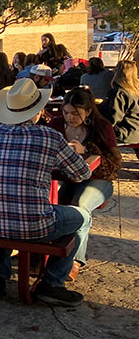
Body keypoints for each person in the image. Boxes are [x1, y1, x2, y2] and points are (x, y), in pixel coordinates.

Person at [0, 78, 92, 306]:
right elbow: (81, 173)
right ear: (37, 111)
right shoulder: (50, 137)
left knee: (5, 207)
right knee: (83, 218)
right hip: (36, 224)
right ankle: (52, 284)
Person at [47, 87, 120, 280]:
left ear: (88, 111)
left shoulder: (102, 127)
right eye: (66, 112)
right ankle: (46, 254)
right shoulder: (55, 124)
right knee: (50, 202)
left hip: (98, 179)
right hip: (62, 177)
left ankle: (75, 260)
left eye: (75, 113)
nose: (69, 117)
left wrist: (87, 149)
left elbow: (115, 165)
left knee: (80, 206)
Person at [100, 60, 139, 146]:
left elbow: (113, 117)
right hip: (135, 131)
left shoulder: (120, 93)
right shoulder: (135, 91)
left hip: (124, 133)